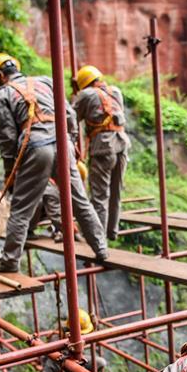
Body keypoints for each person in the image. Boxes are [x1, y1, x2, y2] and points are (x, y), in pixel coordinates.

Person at [0, 53, 108, 272]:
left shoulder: (3, 93)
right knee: (79, 201)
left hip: (35, 147)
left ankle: (10, 262)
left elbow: (7, 135)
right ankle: (101, 249)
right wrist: (71, 142)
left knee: (21, 209)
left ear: (1, 76)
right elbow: (69, 114)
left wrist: (10, 170)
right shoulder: (45, 81)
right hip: (62, 143)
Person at [72, 65, 131, 241]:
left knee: (99, 195)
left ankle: (99, 237)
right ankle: (112, 231)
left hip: (103, 146)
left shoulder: (86, 94)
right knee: (116, 191)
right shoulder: (116, 91)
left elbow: (70, 117)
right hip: (122, 142)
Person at [39, 308, 107, 372]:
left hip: (73, 361)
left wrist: (95, 327)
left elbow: (86, 336)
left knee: (100, 363)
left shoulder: (71, 334)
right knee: (74, 369)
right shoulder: (59, 347)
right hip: (63, 368)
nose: (84, 336)